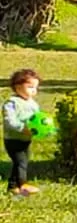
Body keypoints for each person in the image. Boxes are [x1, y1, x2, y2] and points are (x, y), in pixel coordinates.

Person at [3, 68, 40, 197]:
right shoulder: (12, 103)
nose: (34, 90)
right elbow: (9, 121)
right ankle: (23, 185)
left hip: (26, 139)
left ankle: (13, 187)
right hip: (13, 139)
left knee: (21, 162)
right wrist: (22, 128)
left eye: (36, 87)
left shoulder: (33, 104)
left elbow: (38, 119)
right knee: (21, 162)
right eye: (30, 87)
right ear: (18, 87)